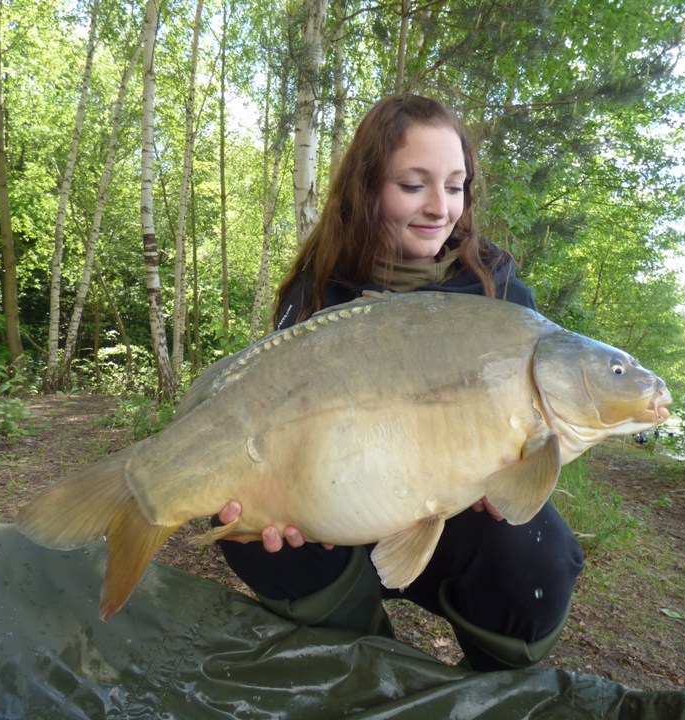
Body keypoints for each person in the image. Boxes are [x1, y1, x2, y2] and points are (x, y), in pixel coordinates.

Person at [216, 94, 584, 671]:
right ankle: (366, 663)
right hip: (335, 506)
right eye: (414, 185)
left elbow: (539, 435)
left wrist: (512, 482)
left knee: (537, 551)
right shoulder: (318, 292)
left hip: (448, 518)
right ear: (367, 190)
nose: (442, 208)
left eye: (456, 186)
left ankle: (492, 683)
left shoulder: (499, 294)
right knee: (237, 519)